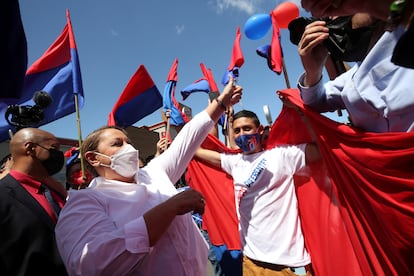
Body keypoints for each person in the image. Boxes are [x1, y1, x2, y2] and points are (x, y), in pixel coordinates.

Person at [54, 78, 242, 275]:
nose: (129, 149)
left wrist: (221, 103)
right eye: (117, 144)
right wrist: (169, 209)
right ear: (93, 158)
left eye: (129, 142)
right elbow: (90, 266)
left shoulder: (153, 173)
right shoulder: (84, 202)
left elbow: (188, 137)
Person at [195, 109, 320, 276]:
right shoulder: (234, 162)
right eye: (237, 131)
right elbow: (197, 151)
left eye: (247, 128)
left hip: (286, 264)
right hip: (251, 261)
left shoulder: (282, 155)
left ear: (259, 130)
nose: (241, 135)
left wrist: (303, 113)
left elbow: (320, 150)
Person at [297, 12, 414, 132]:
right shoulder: (351, 78)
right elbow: (315, 102)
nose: (331, 19)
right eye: (327, 18)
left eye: (339, 5)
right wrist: (313, 72)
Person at [0, 127, 68, 275]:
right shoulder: (3, 194)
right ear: (30, 148)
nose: (59, 155)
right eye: (54, 148)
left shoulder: (57, 191)